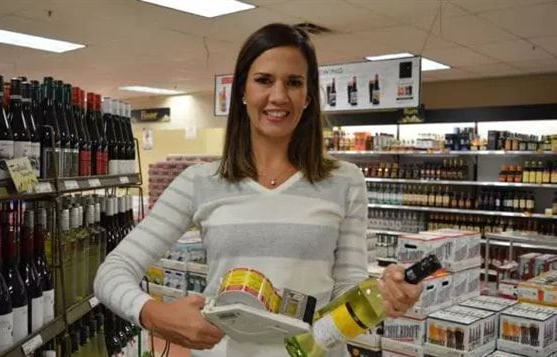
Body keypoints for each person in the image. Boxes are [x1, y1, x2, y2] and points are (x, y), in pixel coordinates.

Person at [94, 23, 423, 356]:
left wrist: (384, 295)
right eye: (264, 80)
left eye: (293, 82)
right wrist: (154, 315)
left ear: (308, 96)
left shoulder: (344, 180)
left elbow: (347, 288)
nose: (278, 96)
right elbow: (112, 271)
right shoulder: (199, 181)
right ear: (242, 91)